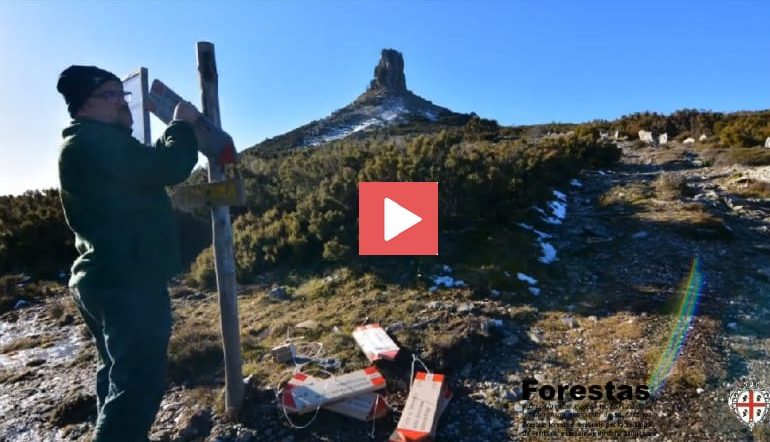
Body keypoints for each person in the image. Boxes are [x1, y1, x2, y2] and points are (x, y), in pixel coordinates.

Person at [56, 65, 202, 441]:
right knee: (138, 385)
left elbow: (141, 170)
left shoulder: (93, 142)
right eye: (110, 95)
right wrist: (181, 125)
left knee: (118, 373)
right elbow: (169, 166)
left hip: (102, 278)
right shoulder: (95, 142)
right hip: (127, 282)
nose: (122, 102)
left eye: (122, 94)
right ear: (84, 105)